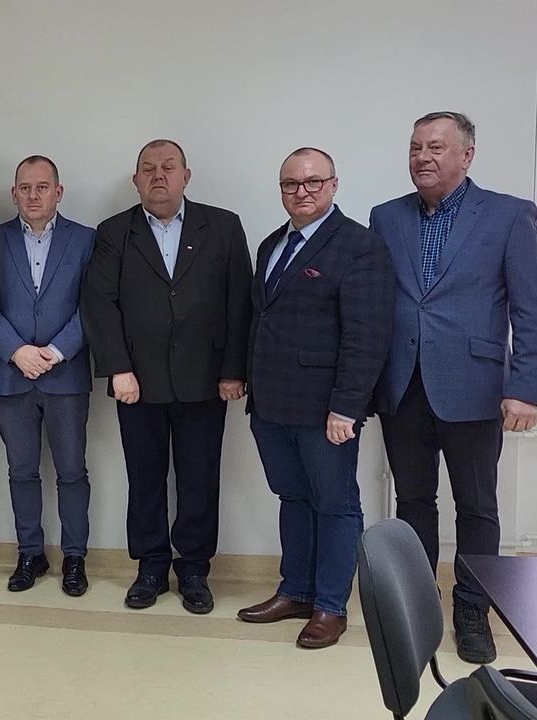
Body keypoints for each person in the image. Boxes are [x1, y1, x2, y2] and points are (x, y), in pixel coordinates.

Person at [369, 111, 537, 664]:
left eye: (436, 147)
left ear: (466, 155)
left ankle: (472, 610)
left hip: (475, 383)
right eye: (415, 147)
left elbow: (530, 309)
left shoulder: (510, 215)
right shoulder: (386, 217)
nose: (422, 157)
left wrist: (526, 386)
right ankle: (419, 606)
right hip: (402, 385)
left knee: (477, 506)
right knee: (412, 501)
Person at [81, 139, 252, 613]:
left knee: (200, 478)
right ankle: (151, 567)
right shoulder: (115, 232)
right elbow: (100, 303)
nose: (159, 175)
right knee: (145, 478)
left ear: (185, 176)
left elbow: (239, 301)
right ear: (136, 180)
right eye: (148, 168)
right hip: (137, 383)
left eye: (168, 167)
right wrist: (118, 369)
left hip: (206, 380)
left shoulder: (223, 226)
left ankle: (194, 569)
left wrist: (233, 369)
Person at [237, 148, 393, 650]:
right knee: (293, 497)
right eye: (290, 184)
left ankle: (330, 605)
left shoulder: (359, 246)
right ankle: (296, 591)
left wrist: (347, 406)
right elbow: (261, 319)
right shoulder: (271, 244)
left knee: (336, 503)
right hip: (270, 403)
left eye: (312, 182)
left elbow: (367, 336)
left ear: (333, 185)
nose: (301, 191)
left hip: (325, 409)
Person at [0, 155, 95, 596]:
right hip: (13, 376)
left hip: (67, 376)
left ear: (58, 192)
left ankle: (75, 556)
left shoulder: (86, 239)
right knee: (21, 471)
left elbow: (93, 305)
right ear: (13, 193)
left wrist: (58, 351)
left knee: (72, 472)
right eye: (25, 188)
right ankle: (30, 553)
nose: (33, 195)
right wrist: (17, 351)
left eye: (42, 187)